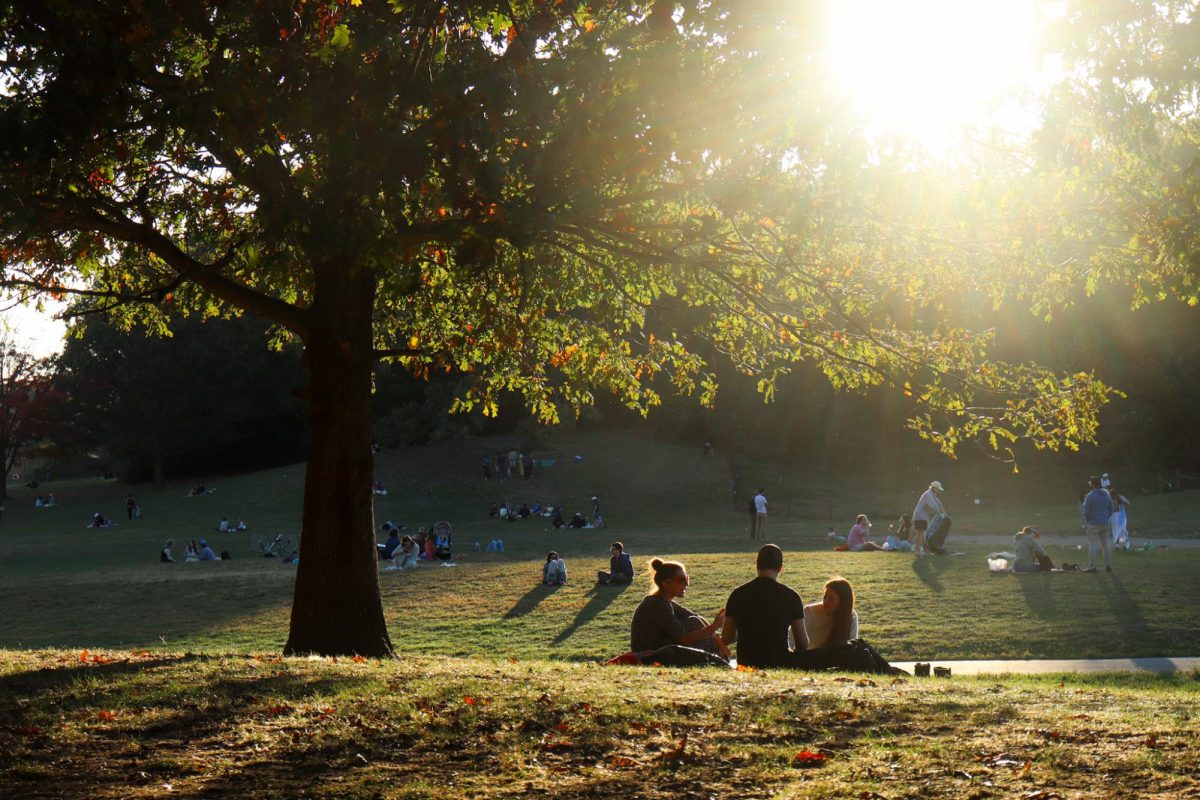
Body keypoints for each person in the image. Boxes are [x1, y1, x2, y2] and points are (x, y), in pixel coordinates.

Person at [721, 544, 811, 669]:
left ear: (757, 565)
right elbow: (802, 643)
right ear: (780, 568)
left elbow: (726, 638)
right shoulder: (791, 597)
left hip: (746, 664)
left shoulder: (737, 594)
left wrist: (747, 630)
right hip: (779, 663)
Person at [630, 559, 728, 658]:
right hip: (651, 654)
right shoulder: (657, 604)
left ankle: (717, 656)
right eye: (682, 580)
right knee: (693, 623)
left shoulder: (665, 602)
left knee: (694, 621)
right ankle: (715, 659)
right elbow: (682, 639)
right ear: (666, 583)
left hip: (661, 649)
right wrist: (714, 627)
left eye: (687, 578)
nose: (686, 584)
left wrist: (720, 643)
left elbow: (697, 617)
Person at [802, 578, 860, 648]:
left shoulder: (851, 615)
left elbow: (852, 646)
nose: (825, 602)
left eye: (831, 599)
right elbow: (791, 641)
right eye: (824, 597)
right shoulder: (809, 612)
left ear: (842, 602)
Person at [1081, 475, 1114, 572]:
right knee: (1106, 544)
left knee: (1093, 545)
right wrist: (1105, 518)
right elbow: (1111, 509)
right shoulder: (1107, 495)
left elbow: (1086, 512)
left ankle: (1092, 566)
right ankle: (1108, 565)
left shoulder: (1090, 496)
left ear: (1092, 484)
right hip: (1105, 522)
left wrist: (1088, 520)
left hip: (1093, 523)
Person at [912, 480, 948, 555]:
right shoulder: (928, 495)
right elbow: (934, 506)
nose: (939, 491)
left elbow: (939, 503)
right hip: (920, 516)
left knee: (923, 534)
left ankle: (924, 550)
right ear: (934, 488)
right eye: (938, 489)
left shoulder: (932, 495)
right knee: (920, 533)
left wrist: (944, 512)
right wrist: (939, 513)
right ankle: (917, 551)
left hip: (923, 516)